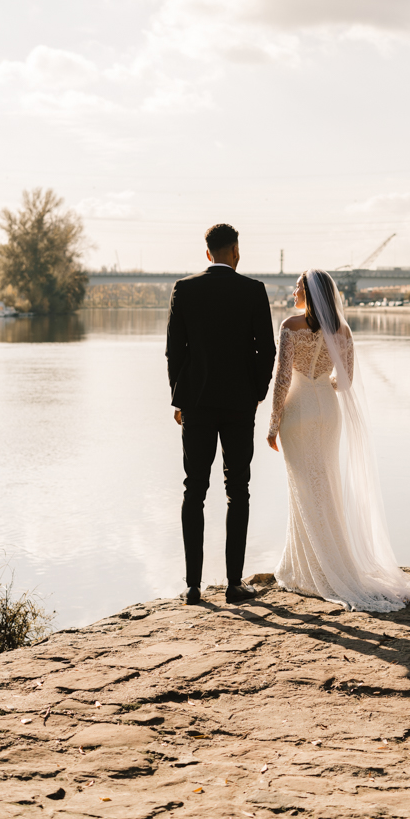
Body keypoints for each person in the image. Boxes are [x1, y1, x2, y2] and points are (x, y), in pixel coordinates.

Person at [267, 268, 410, 612]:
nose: (294, 290)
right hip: (329, 408)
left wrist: (272, 424)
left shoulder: (289, 327)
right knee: (326, 484)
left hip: (299, 410)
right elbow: (346, 382)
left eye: (298, 286)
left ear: (309, 293)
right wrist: (324, 385)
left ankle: (313, 570)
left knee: (305, 487)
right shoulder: (343, 331)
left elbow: (281, 379)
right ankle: (317, 563)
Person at [166, 224, 276, 605]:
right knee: (238, 491)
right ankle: (233, 584)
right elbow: (267, 351)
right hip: (238, 406)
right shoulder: (253, 290)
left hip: (195, 403)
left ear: (208, 252)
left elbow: (174, 351)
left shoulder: (185, 289)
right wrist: (256, 395)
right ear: (236, 251)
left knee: (193, 489)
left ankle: (193, 587)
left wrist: (178, 400)